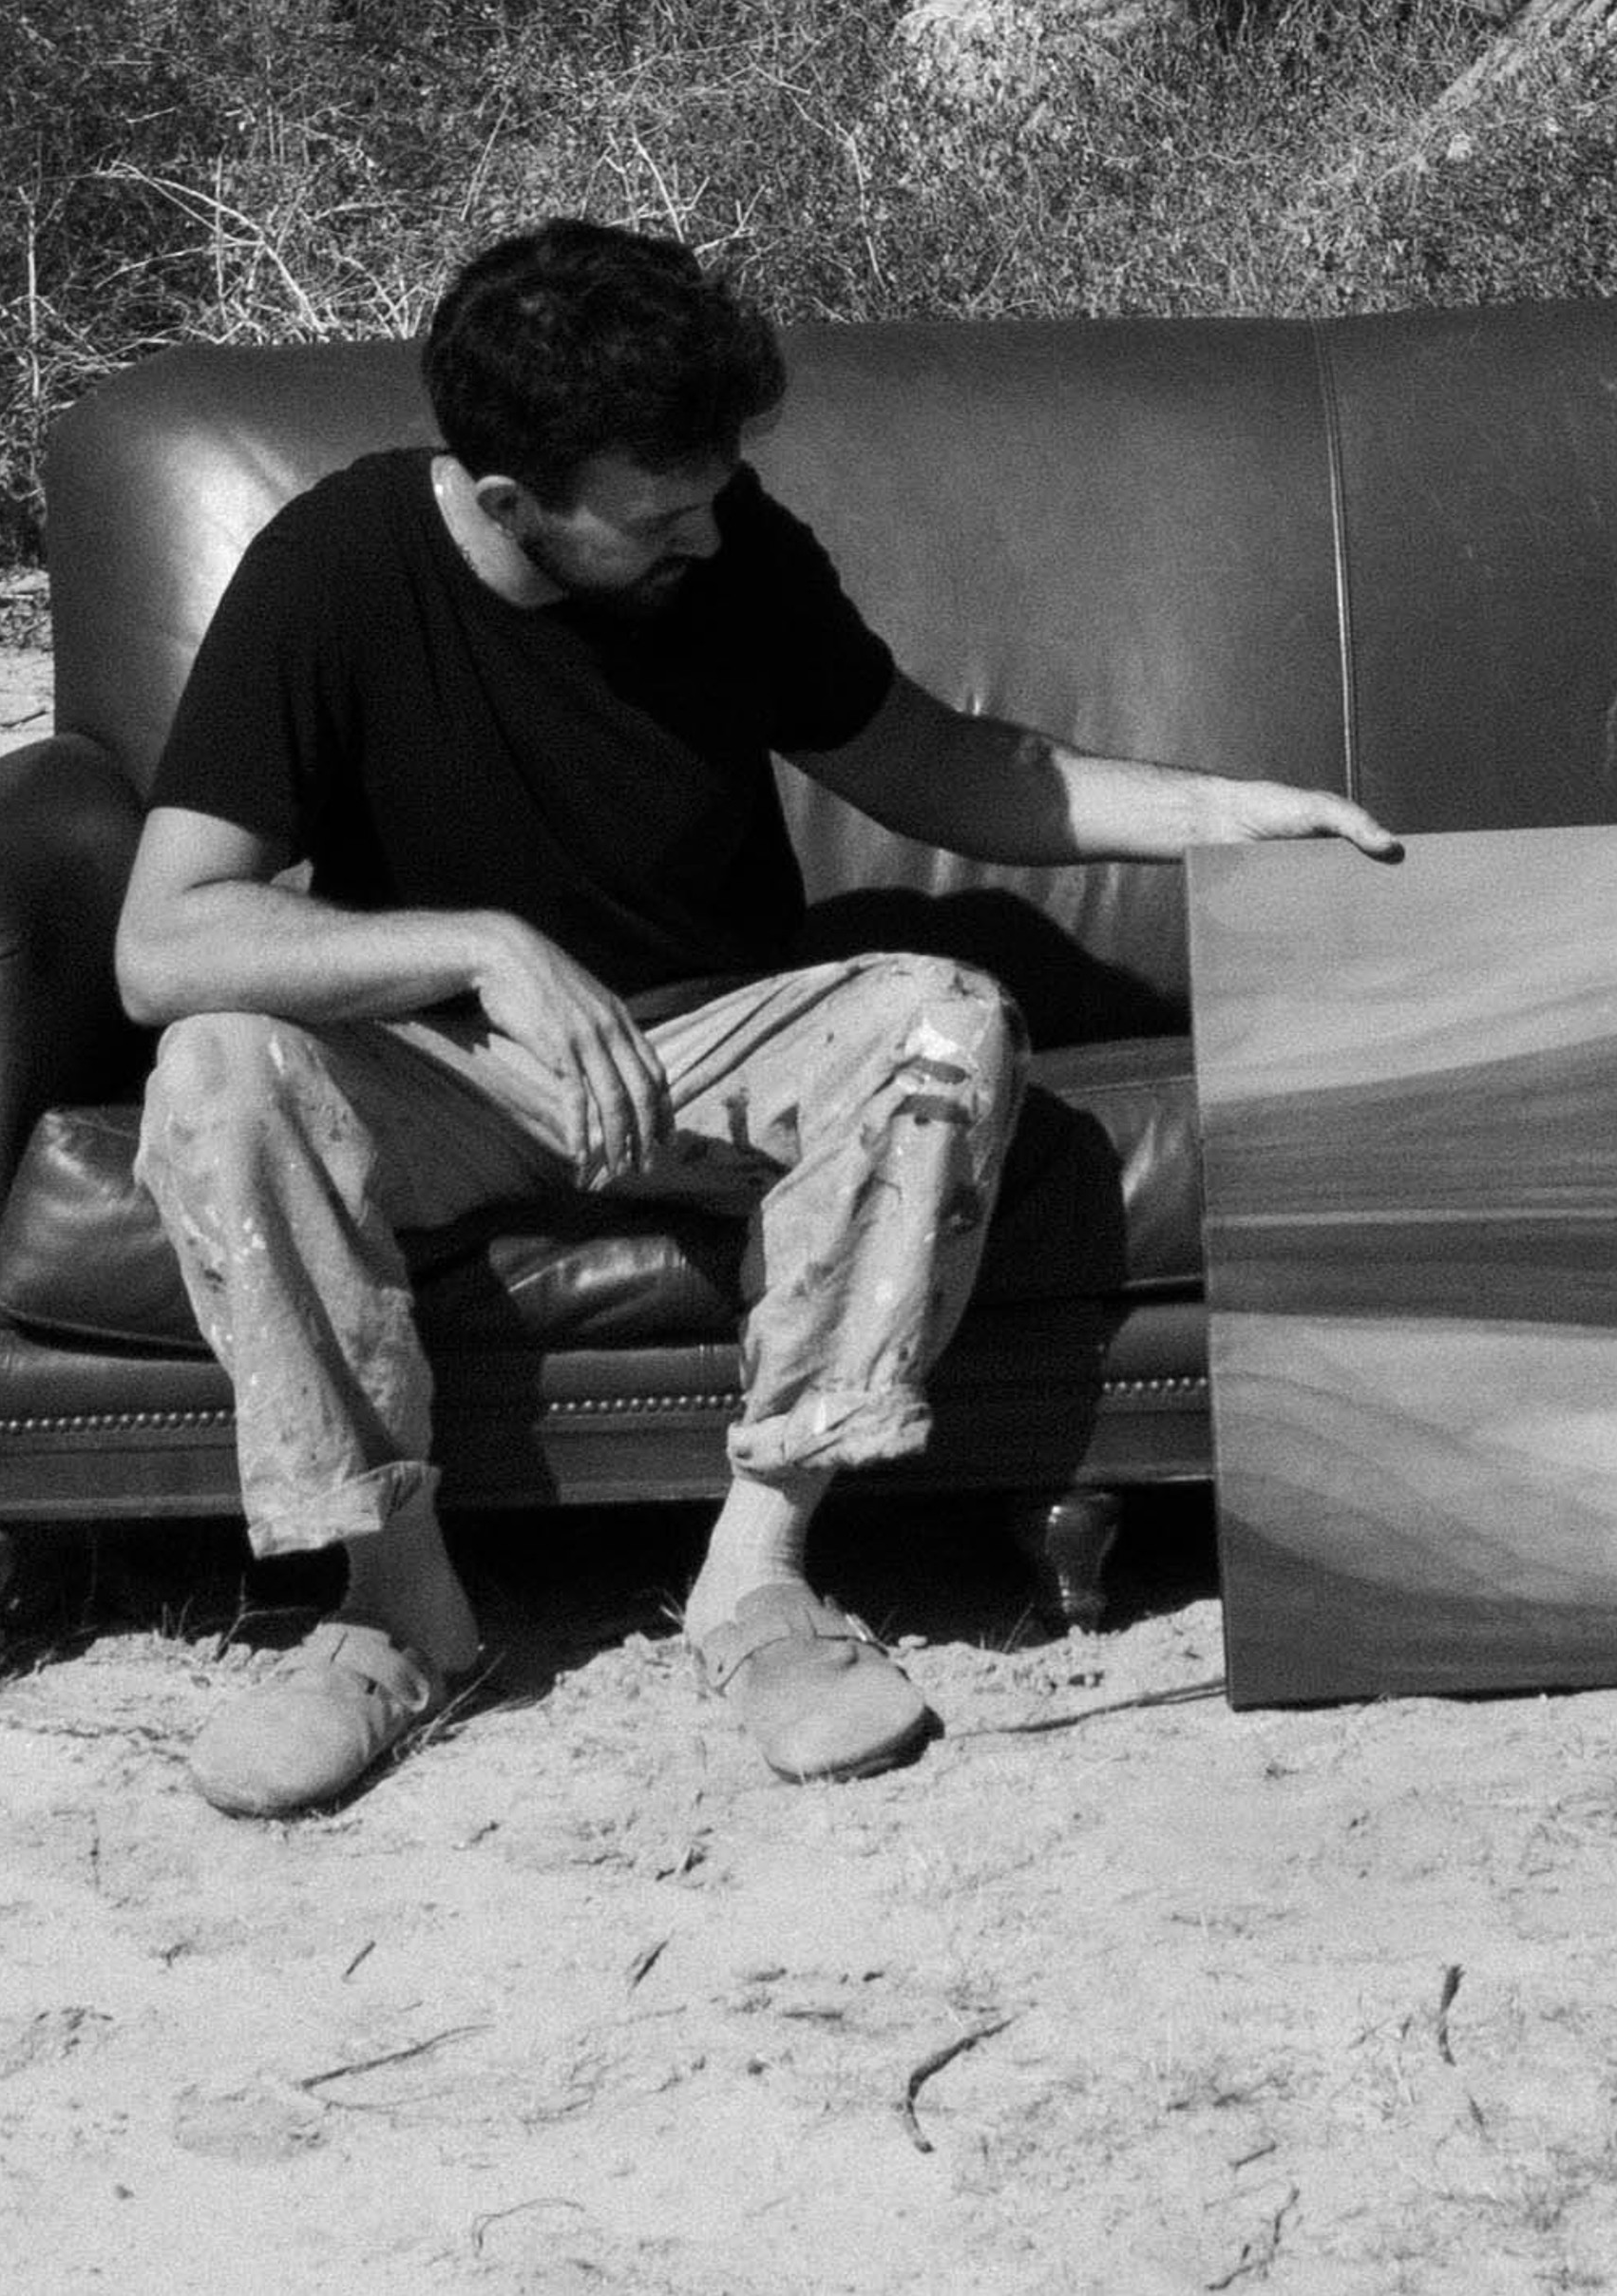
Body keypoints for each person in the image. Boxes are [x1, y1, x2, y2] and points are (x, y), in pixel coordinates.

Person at [117, 217, 1396, 1820]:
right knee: (217, 1066)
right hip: (443, 1076)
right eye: (658, 514)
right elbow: (164, 944)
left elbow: (940, 766)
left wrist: (1232, 814)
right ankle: (397, 1609)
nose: (705, 538)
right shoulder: (334, 564)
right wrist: (485, 950)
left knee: (944, 1022)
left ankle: (763, 1573)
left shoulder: (728, 543)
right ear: (511, 502)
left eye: (714, 494)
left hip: (717, 1052)